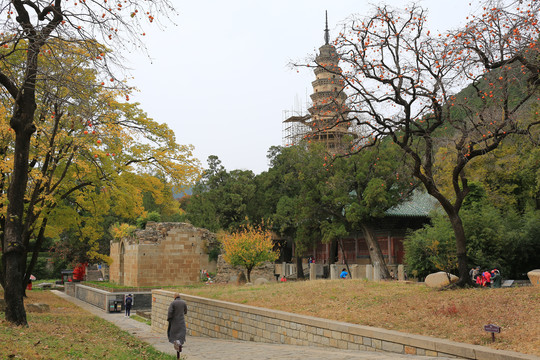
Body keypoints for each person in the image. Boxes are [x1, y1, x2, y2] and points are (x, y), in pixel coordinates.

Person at [168, 293, 187, 358]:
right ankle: (181, 342)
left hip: (175, 320)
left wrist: (169, 318)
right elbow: (185, 311)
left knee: (174, 331)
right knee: (182, 331)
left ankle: (175, 342)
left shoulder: (173, 303)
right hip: (181, 320)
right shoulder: (183, 302)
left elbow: (170, 311)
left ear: (175, 297)